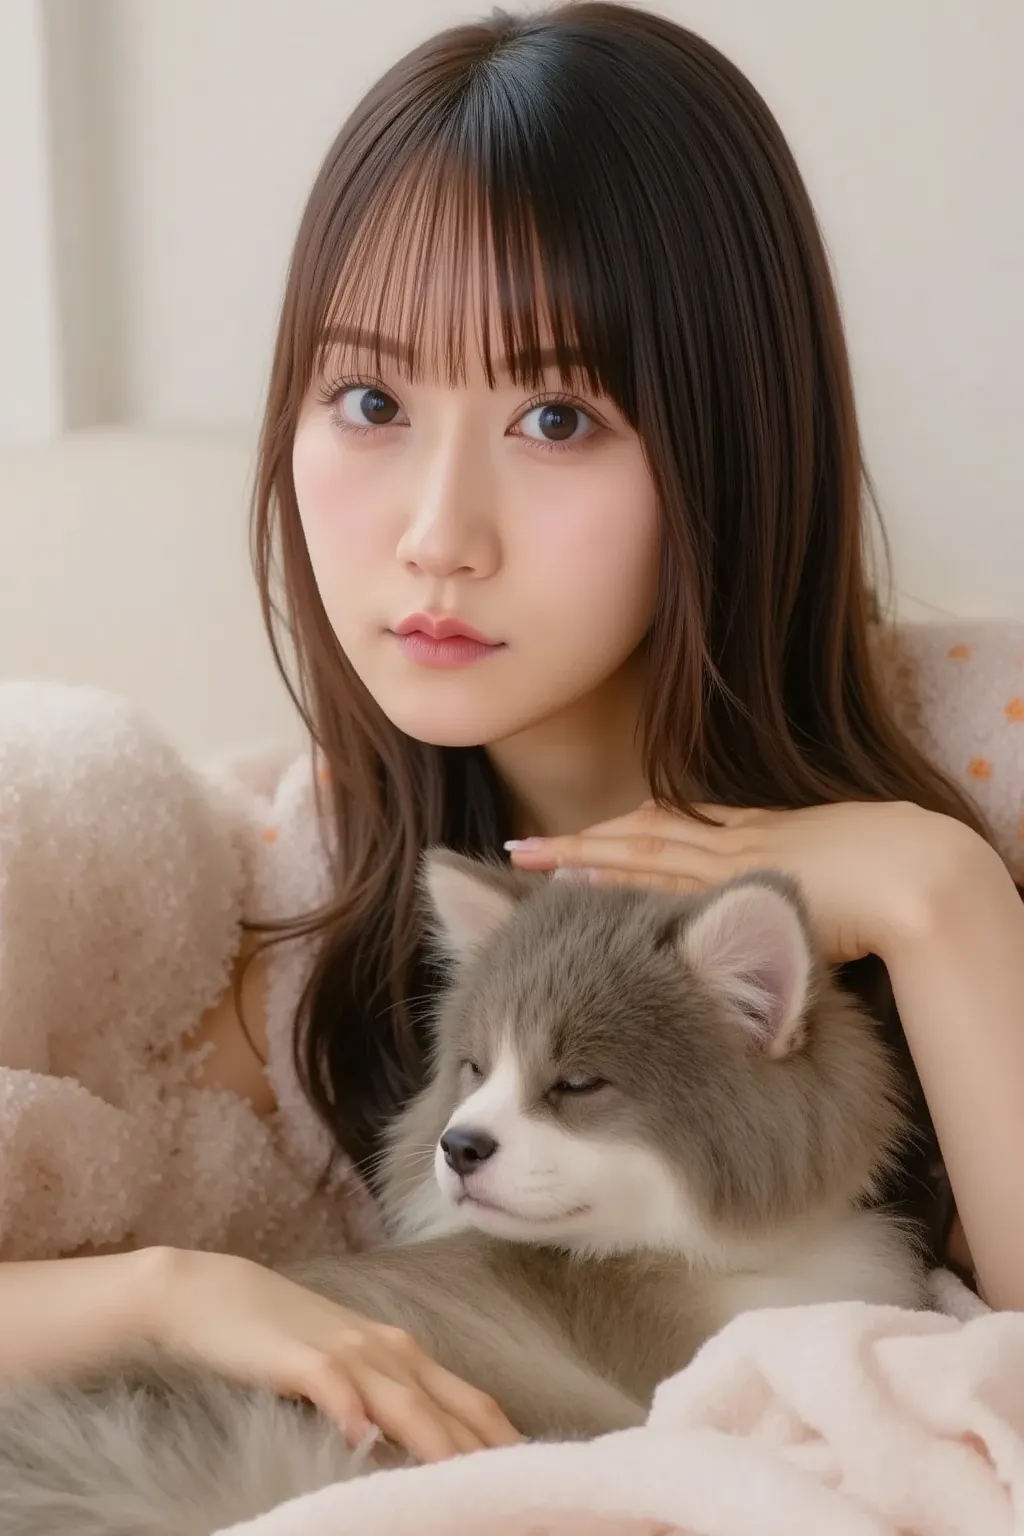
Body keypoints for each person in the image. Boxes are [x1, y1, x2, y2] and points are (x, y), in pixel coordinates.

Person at [1, 0, 1022, 1466]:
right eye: (368, 400)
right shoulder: (276, 920)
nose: (435, 537)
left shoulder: (987, 749)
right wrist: (178, 1291)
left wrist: (945, 902)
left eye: (555, 418)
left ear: (729, 442)